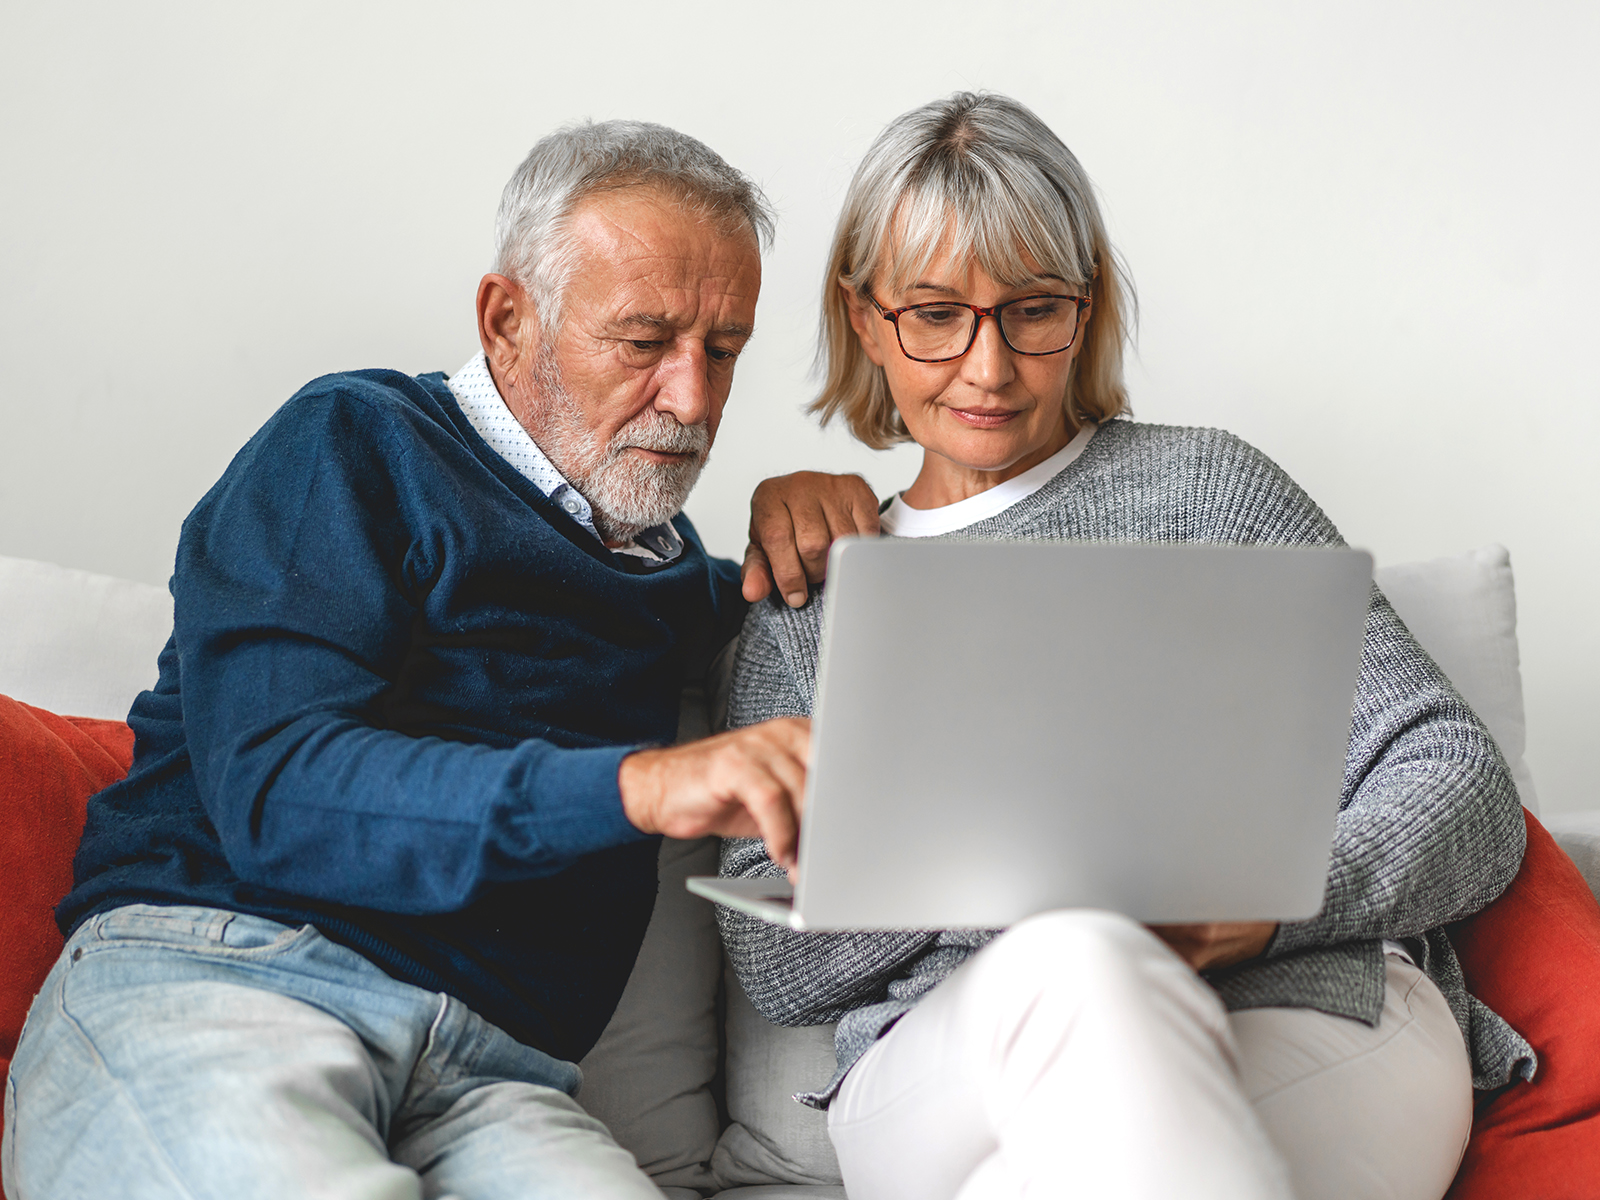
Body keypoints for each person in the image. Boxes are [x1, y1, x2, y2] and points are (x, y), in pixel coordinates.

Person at [2, 120, 880, 1200]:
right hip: (225, 977)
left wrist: (811, 516)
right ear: (508, 320)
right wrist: (636, 785)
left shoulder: (670, 576)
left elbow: (819, 631)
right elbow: (278, 788)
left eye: (725, 349)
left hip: (500, 1078)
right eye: (644, 341)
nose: (693, 400)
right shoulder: (355, 443)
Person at [717, 92, 1535, 1200]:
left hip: (1300, 1017)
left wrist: (1282, 898)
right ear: (865, 319)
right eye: (934, 314)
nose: (988, 367)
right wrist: (1021, 873)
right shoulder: (814, 587)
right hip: (947, 1066)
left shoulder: (1209, 491)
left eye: (1032, 310)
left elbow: (1465, 794)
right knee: (1078, 954)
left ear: (1086, 306)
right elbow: (772, 955)